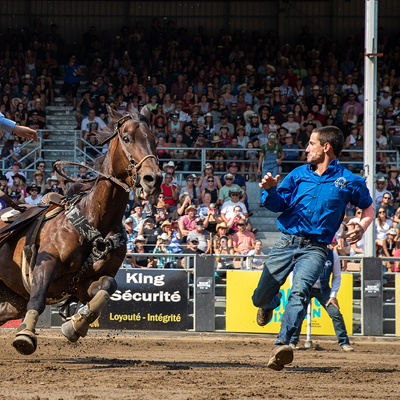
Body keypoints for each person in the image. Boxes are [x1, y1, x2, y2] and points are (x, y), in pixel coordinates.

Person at [253, 126, 373, 371]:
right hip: (287, 241)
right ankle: (269, 303)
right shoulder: (298, 174)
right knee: (260, 297)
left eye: (311, 143)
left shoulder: (350, 181)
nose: (306, 148)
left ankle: (281, 344)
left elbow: (369, 208)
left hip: (317, 248)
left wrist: (362, 226)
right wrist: (269, 191)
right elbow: (279, 204)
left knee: (300, 292)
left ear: (325, 147)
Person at [288, 249, 354, 352]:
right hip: (305, 287)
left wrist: (333, 295)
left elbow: (337, 276)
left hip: (323, 290)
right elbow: (293, 271)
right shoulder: (306, 251)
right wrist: (296, 287)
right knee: (298, 313)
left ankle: (344, 343)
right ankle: (292, 341)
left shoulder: (333, 255)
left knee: (335, 313)